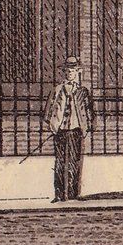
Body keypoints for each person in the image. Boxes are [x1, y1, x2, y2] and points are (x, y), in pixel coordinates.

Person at [47, 57, 94, 203]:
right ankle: (60, 194)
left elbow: (89, 110)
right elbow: (48, 110)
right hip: (61, 130)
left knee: (75, 161)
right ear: (63, 73)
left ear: (77, 72)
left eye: (72, 71)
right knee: (60, 162)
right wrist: (53, 124)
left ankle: (74, 193)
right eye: (67, 71)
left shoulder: (82, 91)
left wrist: (88, 126)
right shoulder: (57, 89)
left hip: (76, 129)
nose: (69, 73)